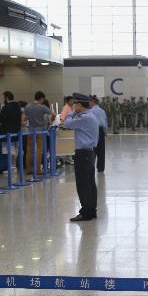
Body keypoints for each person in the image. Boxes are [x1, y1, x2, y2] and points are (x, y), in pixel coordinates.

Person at [64, 93, 99, 222]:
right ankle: (91, 210)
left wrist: (72, 113)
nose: (74, 106)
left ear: (80, 105)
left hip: (83, 154)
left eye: (75, 104)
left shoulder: (84, 118)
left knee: (83, 184)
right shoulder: (90, 116)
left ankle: (86, 212)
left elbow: (67, 123)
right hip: (88, 153)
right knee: (89, 183)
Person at [25, 91, 54, 175]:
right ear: (41, 98)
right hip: (40, 131)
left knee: (29, 150)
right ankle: (38, 169)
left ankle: (29, 169)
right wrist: (51, 119)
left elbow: (23, 119)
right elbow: (53, 114)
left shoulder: (28, 106)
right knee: (39, 150)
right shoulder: (42, 107)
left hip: (30, 130)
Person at [88, 96, 108, 173]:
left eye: (89, 102)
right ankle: (101, 168)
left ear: (93, 102)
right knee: (101, 150)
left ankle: (91, 166)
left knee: (93, 149)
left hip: (93, 131)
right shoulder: (102, 111)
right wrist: (105, 131)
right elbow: (105, 121)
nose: (88, 103)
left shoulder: (90, 111)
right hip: (101, 131)